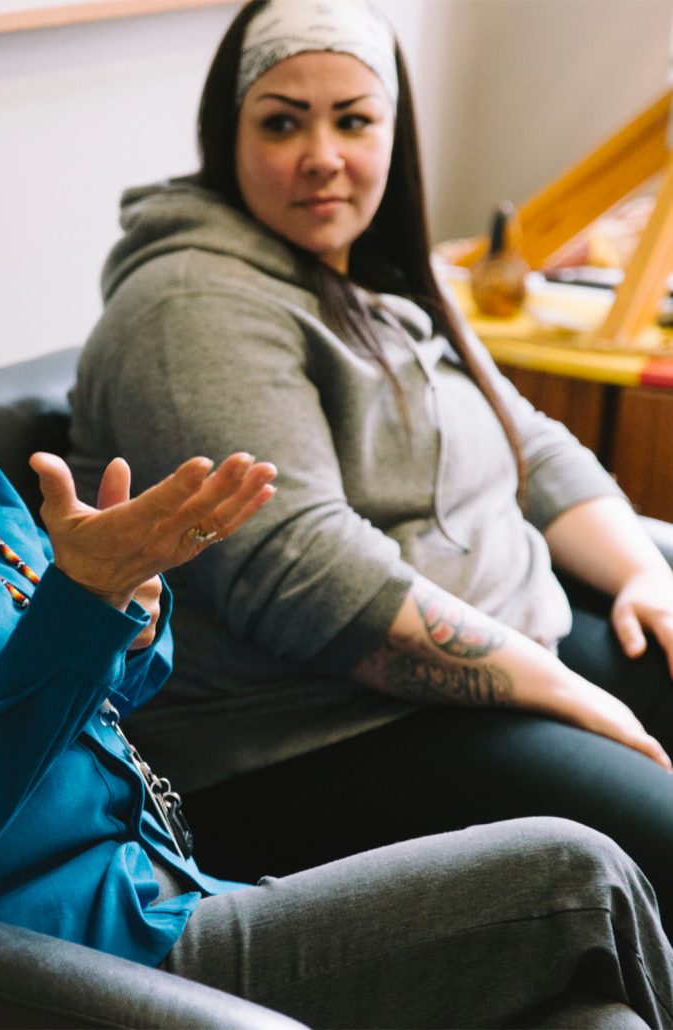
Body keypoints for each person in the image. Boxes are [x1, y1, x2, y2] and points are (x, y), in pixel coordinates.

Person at [0, 8, 671, 1027]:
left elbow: (106, 689)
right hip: (63, 959)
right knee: (576, 880)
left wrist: (126, 604)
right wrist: (79, 603)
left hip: (160, 879)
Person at [68, 0, 673, 918]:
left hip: (495, 649)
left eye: (353, 119)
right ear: (227, 134)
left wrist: (642, 576)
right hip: (311, 734)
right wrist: (569, 693)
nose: (323, 154)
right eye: (282, 121)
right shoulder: (188, 309)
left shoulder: (374, 274)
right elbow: (310, 580)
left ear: (394, 134)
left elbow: (533, 449)